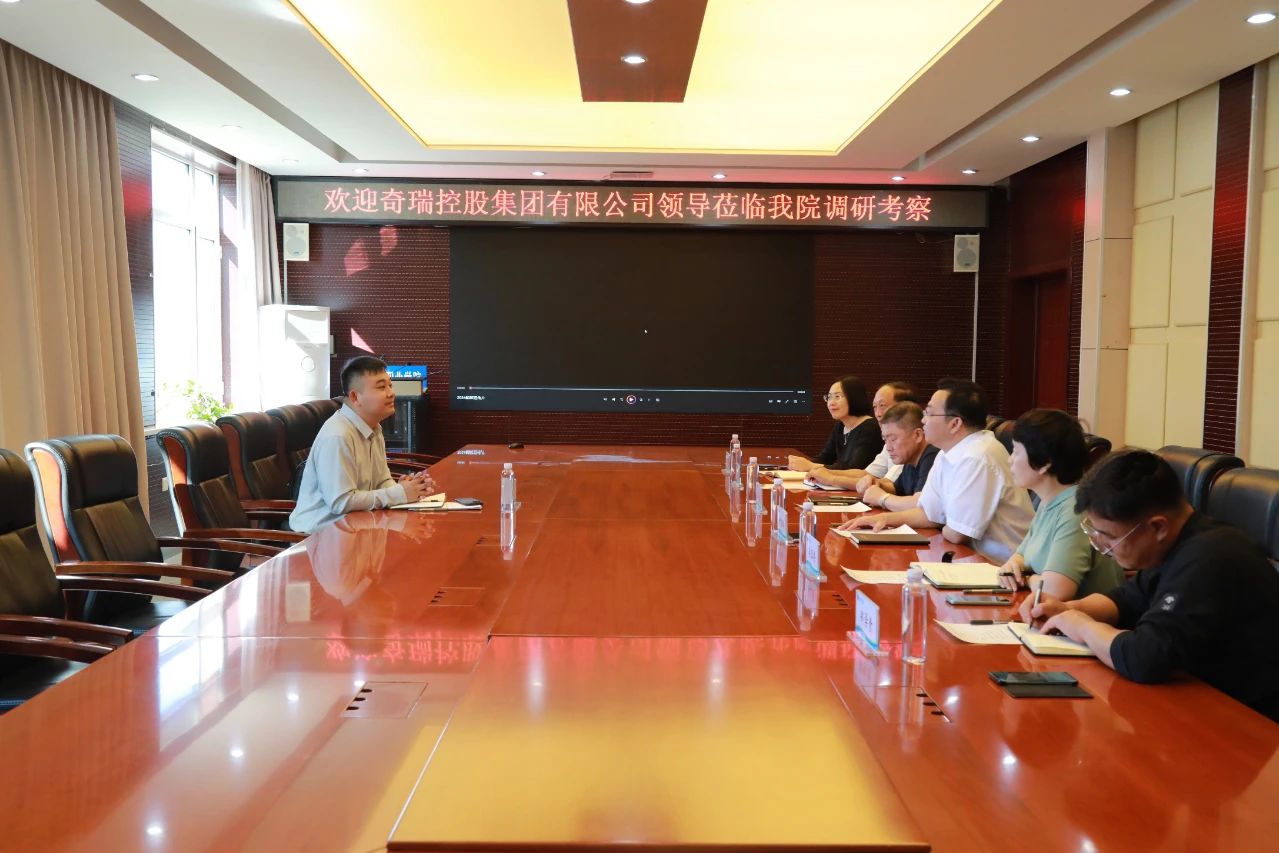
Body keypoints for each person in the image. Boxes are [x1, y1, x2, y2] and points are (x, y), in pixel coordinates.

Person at [1024, 450, 1279, 721]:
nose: (1102, 546)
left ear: (1158, 527)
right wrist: (1067, 610)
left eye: (1109, 537)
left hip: (1246, 719)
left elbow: (1144, 657)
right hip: (1194, 699)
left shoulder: (1210, 556)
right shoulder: (1177, 542)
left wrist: (1083, 627)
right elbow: (1128, 599)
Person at [841, 379, 1032, 562]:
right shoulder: (946, 452)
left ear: (955, 423)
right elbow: (928, 514)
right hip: (966, 559)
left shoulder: (978, 456)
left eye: (929, 414)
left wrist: (942, 521)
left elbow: (956, 534)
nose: (923, 420)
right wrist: (884, 519)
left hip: (1000, 567)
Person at [290, 356, 435, 533]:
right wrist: (398, 494)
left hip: (359, 526)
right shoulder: (338, 436)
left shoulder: (374, 427)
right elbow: (341, 502)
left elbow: (381, 481)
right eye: (381, 387)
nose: (391, 393)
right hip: (320, 536)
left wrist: (404, 489)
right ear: (355, 396)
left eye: (390, 385)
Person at [997, 409, 1123, 599]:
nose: (1010, 460)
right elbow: (1022, 555)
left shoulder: (1075, 511)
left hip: (1083, 616)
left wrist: (1027, 578)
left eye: (1016, 451)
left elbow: (1054, 591)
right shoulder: (1048, 500)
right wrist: (1012, 567)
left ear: (1045, 463)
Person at [808, 380, 918, 490]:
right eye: (875, 407)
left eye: (882, 405)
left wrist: (831, 478)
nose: (878, 414)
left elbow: (889, 485)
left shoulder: (905, 439)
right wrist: (824, 472)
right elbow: (867, 474)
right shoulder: (889, 442)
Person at [788, 375, 882, 473]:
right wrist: (801, 464)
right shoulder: (840, 425)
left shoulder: (870, 428)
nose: (831, 403)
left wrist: (811, 466)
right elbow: (825, 458)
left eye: (837, 397)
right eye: (829, 397)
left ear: (854, 397)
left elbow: (854, 468)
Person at [860, 402, 939, 513]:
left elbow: (920, 505)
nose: (888, 448)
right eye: (885, 440)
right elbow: (897, 489)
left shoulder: (933, 456)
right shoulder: (910, 459)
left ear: (917, 435)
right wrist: (877, 484)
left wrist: (882, 498)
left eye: (893, 439)